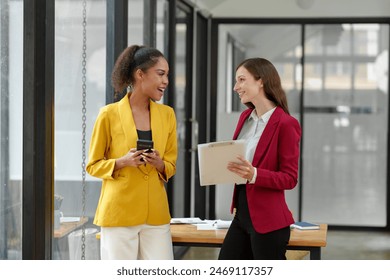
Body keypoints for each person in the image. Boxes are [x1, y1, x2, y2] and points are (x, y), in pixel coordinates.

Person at [86, 45, 177, 260]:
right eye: (161, 74)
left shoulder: (167, 115)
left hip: (156, 214)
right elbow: (93, 165)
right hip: (119, 214)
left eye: (167, 76)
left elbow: (171, 164)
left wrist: (159, 163)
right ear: (140, 74)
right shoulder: (108, 115)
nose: (166, 81)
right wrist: (122, 162)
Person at [218, 58, 301, 260]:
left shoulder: (286, 124)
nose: (236, 87)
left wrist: (254, 174)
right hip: (241, 217)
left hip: (269, 223)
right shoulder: (245, 118)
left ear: (261, 81)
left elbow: (290, 178)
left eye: (241, 80)